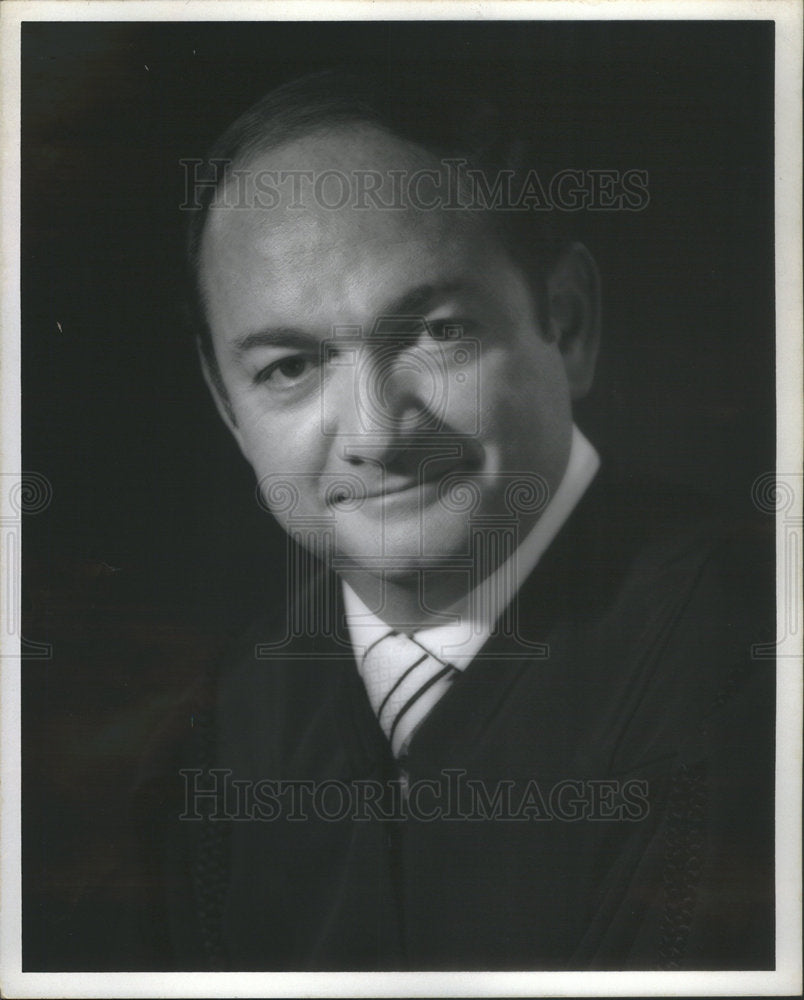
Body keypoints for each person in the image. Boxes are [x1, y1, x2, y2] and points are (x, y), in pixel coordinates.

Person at [109, 70, 776, 971]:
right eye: (290, 367)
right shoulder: (215, 741)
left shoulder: (753, 675)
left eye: (435, 332)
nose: (378, 436)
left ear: (567, 323)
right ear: (228, 408)